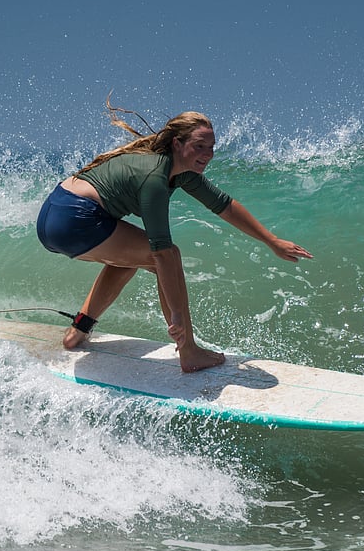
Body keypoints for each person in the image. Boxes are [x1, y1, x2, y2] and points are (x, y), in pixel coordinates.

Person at [36, 102, 313, 372]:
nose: (208, 154)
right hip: (75, 219)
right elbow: (163, 254)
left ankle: (78, 332)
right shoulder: (155, 178)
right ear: (177, 144)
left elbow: (223, 205)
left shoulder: (180, 171)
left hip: (55, 214)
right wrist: (178, 316)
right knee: (167, 256)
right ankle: (188, 351)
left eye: (211, 147)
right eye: (199, 146)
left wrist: (271, 240)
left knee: (128, 259)